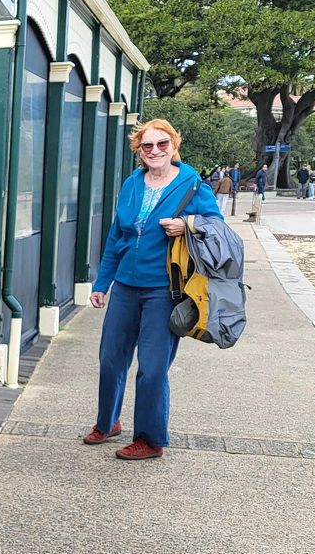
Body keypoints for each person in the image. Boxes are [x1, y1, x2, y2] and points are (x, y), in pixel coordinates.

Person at [85, 119, 222, 460]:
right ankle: (108, 422)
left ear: (174, 146)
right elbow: (117, 236)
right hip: (125, 287)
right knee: (110, 359)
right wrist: (102, 282)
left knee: (152, 367)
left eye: (162, 144)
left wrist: (187, 225)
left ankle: (150, 439)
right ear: (139, 150)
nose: (155, 150)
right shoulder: (132, 183)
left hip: (165, 290)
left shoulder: (192, 184)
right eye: (147, 145)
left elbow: (217, 227)